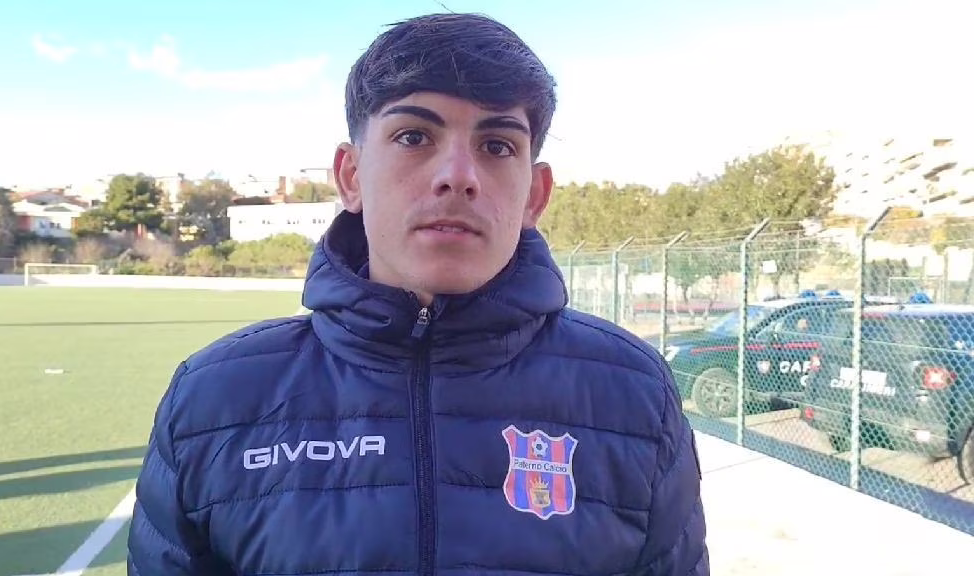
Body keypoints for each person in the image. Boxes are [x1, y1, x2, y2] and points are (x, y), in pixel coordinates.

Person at [127, 12, 708, 576]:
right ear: (350, 176)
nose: (458, 175)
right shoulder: (212, 401)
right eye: (414, 136)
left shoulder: (635, 394)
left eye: (497, 146)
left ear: (535, 194)